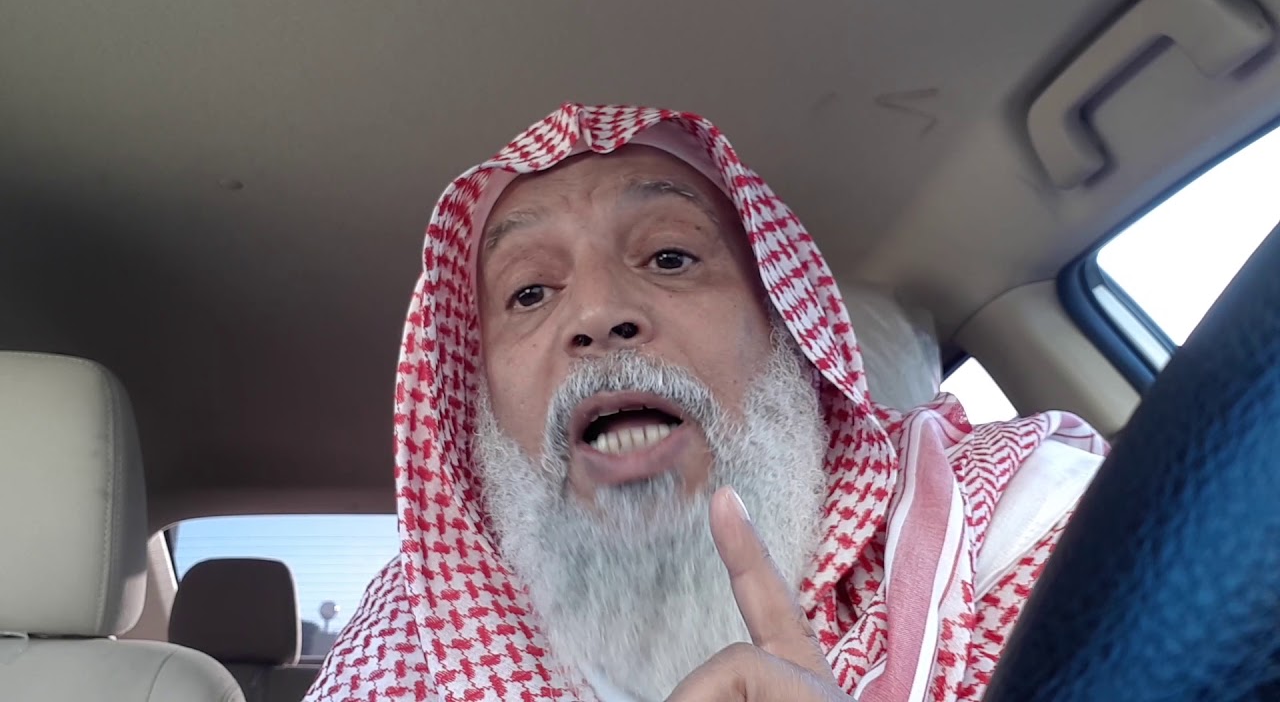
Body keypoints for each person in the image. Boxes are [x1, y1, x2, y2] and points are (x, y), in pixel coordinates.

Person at [303, 104, 1106, 702]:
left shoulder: (1007, 519)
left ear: (785, 330)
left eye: (670, 257)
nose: (598, 313)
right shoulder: (412, 641)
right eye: (531, 292)